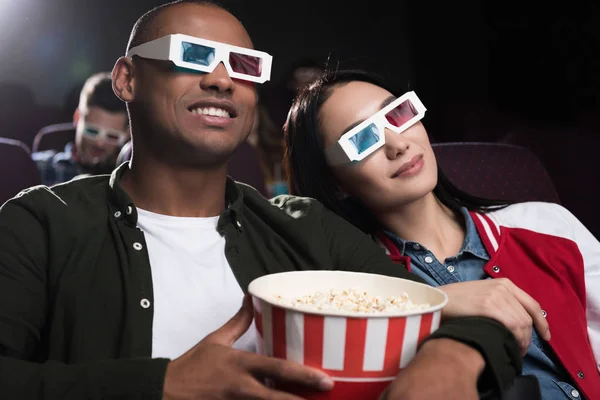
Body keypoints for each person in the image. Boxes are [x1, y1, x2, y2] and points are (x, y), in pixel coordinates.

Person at [0, 2, 523, 399]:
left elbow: (445, 313)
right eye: (193, 55)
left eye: (244, 66)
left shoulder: (305, 227)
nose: (222, 80)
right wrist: (163, 384)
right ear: (127, 78)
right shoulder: (41, 223)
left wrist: (449, 361)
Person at [283, 69, 600, 399]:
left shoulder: (545, 224)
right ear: (335, 184)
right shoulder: (354, 289)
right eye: (362, 139)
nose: (398, 143)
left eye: (398, 113)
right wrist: (426, 305)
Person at [32, 72, 130, 186]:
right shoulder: (40, 169)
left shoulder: (131, 183)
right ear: (77, 118)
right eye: (92, 131)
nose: (99, 143)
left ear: (127, 134)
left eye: (112, 136)